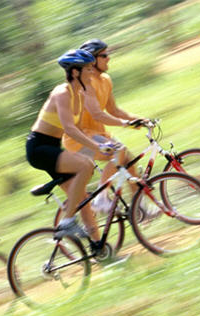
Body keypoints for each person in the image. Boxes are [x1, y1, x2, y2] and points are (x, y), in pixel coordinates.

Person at [26, 49, 133, 248]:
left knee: (81, 198)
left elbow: (96, 115)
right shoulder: (62, 93)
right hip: (39, 147)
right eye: (87, 68)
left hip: (52, 148)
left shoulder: (81, 93)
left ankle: (98, 247)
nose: (92, 72)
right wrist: (98, 145)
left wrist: (124, 124)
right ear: (75, 73)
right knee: (86, 166)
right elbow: (70, 128)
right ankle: (67, 222)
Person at [62, 39, 148, 213]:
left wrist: (140, 120)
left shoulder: (105, 80)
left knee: (129, 161)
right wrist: (126, 124)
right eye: (104, 55)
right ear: (92, 60)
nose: (109, 58)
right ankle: (101, 199)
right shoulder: (86, 84)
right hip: (79, 140)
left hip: (96, 135)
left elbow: (113, 110)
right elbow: (97, 114)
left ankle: (141, 210)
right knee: (118, 151)